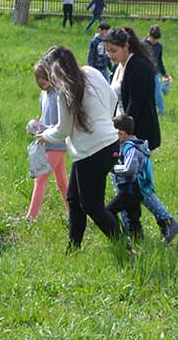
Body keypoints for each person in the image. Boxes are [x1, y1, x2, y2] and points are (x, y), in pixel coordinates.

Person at [35, 45, 121, 249]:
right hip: (110, 143)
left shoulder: (64, 92)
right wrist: (104, 124)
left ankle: (123, 245)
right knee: (74, 199)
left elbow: (62, 131)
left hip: (90, 153)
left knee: (92, 206)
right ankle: (73, 247)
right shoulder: (91, 72)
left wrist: (44, 135)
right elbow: (113, 99)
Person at [108, 112, 178, 243]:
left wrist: (112, 168)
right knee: (133, 216)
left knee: (112, 211)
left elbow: (130, 168)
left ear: (121, 134)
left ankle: (120, 237)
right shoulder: (130, 145)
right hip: (132, 188)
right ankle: (135, 238)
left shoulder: (131, 148)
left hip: (132, 188)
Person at [104, 27, 161, 150]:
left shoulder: (138, 67)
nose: (110, 55)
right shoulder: (117, 67)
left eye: (114, 51)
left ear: (126, 46)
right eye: (107, 51)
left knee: (132, 168)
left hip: (137, 133)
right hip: (121, 130)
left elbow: (135, 104)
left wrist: (124, 132)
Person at [26, 65, 69, 220]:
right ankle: (73, 213)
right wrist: (35, 125)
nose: (42, 81)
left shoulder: (60, 94)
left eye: (44, 77)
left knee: (40, 178)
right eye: (38, 78)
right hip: (45, 140)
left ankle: (31, 217)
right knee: (62, 181)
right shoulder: (43, 94)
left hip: (57, 141)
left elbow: (61, 123)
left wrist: (45, 129)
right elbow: (44, 117)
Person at [147, 24, 171, 113]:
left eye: (157, 39)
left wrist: (164, 73)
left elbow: (159, 60)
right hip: (145, 73)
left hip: (155, 72)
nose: (155, 41)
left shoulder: (159, 46)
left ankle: (162, 113)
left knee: (158, 95)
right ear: (149, 35)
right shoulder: (142, 44)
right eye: (153, 39)